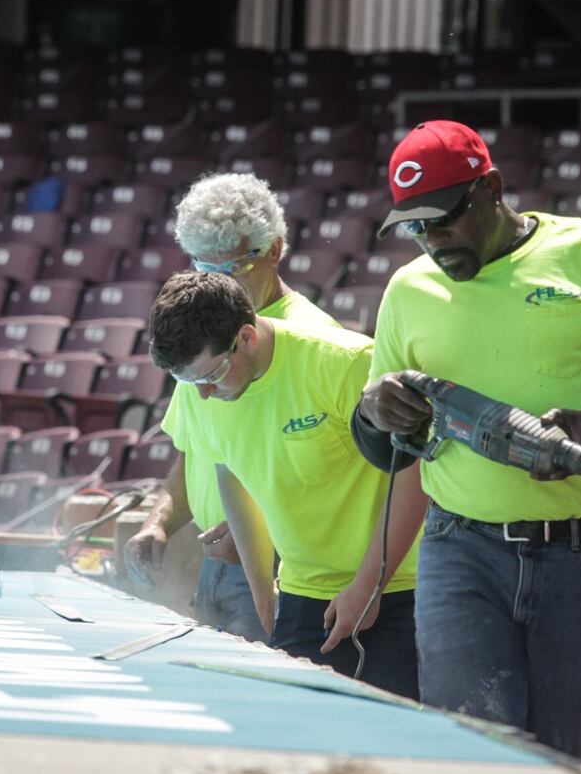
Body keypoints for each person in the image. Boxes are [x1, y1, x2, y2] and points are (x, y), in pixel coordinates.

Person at [350, 120, 581, 760]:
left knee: (566, 759)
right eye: (413, 228)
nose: (431, 242)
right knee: (468, 754)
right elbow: (384, 452)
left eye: (442, 220)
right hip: (458, 550)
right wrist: (375, 415)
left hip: (578, 557)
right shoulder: (408, 290)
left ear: (491, 188)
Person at [149, 271, 427, 699]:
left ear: (246, 337)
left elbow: (413, 474)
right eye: (190, 382)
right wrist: (263, 590)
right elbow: (231, 476)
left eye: (213, 375)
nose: (203, 394)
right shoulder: (198, 389)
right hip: (301, 592)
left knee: (394, 740)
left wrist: (368, 585)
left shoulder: (344, 363)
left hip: (397, 590)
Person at [123, 173, 338, 641]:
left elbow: (330, 478)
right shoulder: (203, 329)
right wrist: (159, 522)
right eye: (205, 265)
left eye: (234, 266)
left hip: (281, 570)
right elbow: (195, 453)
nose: (219, 282)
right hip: (215, 564)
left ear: (274, 250)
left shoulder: (319, 341)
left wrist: (258, 538)